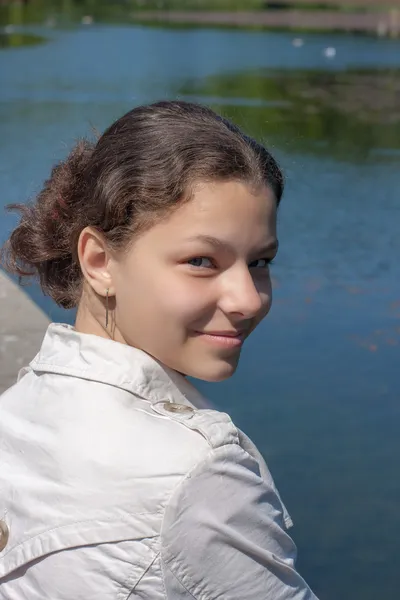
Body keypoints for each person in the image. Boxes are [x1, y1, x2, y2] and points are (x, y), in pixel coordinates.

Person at [0, 101, 318, 599]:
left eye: (260, 261)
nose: (249, 298)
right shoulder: (200, 478)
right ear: (100, 260)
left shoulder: (15, 414)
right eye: (201, 261)